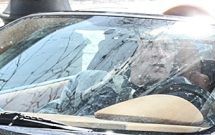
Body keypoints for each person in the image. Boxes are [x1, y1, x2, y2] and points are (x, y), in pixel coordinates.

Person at [54, 39, 192, 116]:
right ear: (131, 56)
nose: (160, 54)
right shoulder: (88, 81)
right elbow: (55, 111)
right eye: (149, 45)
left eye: (167, 47)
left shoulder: (183, 93)